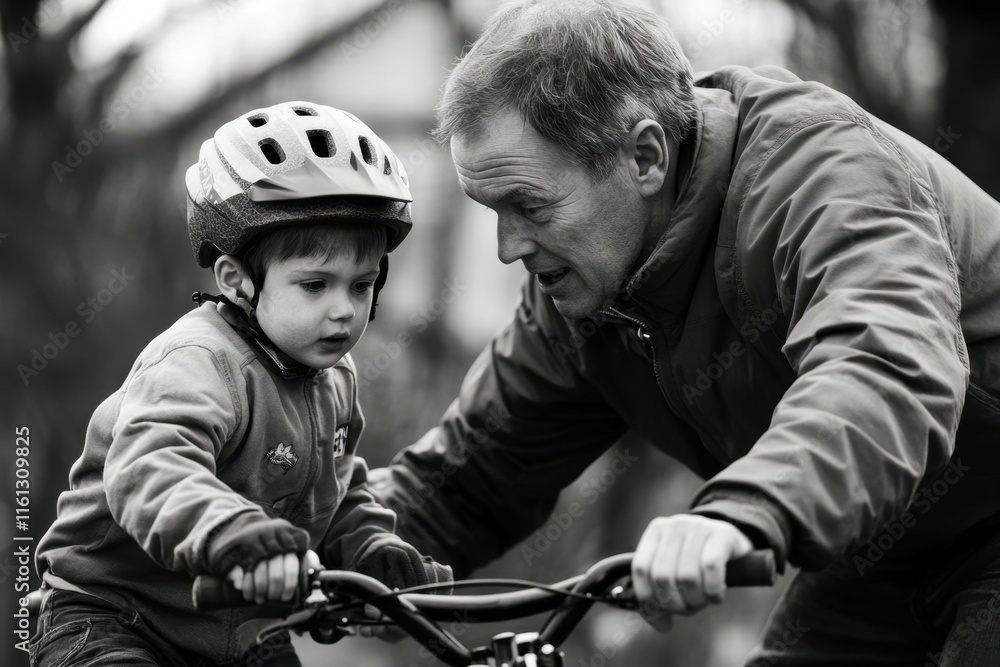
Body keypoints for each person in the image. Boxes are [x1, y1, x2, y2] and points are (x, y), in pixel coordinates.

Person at [369, 1, 1000, 664]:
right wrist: (313, 542)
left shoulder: (820, 177)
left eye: (528, 204)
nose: (507, 247)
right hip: (884, 548)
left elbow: (883, 368)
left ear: (645, 155)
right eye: (493, 210)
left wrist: (740, 510)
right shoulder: (585, 293)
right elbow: (471, 476)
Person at [30, 101, 452, 667]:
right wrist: (235, 535)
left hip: (242, 629)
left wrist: (372, 549)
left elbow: (337, 487)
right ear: (237, 281)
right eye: (314, 284)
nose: (343, 311)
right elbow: (151, 468)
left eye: (361, 285)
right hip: (115, 618)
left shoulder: (334, 377)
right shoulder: (199, 362)